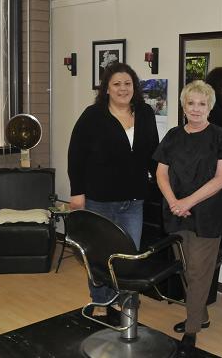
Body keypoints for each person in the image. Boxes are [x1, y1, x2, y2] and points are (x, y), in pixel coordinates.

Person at [153, 80, 222, 351]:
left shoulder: (221, 138)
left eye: (202, 103)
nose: (196, 108)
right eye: (191, 103)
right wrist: (174, 202)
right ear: (183, 105)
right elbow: (161, 173)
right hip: (177, 212)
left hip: (207, 214)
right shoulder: (173, 136)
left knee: (200, 272)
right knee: (187, 269)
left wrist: (187, 201)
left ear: (210, 107)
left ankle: (191, 330)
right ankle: (200, 315)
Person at [67, 62, 159, 317]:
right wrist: (77, 193)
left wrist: (166, 183)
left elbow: (154, 153)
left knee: (129, 256)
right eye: (116, 84)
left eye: (127, 84)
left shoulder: (145, 113)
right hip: (99, 199)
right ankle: (102, 299)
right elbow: (76, 156)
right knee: (99, 254)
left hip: (134, 200)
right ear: (106, 88)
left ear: (134, 87)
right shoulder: (92, 115)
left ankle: (126, 300)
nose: (122, 89)